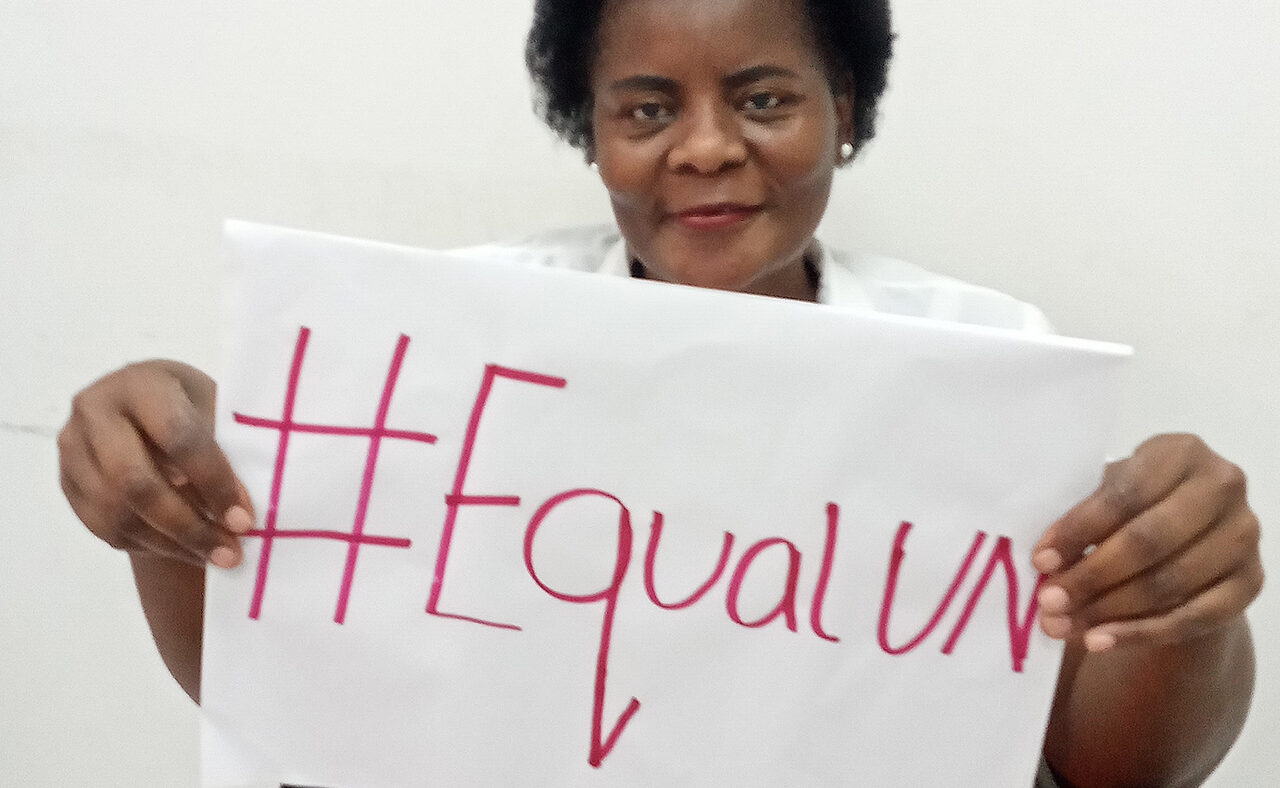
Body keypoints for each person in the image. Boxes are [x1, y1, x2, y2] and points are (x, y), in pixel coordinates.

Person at [56, 0, 1261, 785]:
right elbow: (292, 692)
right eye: (645, 108)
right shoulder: (437, 351)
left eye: (763, 98)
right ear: (589, 131)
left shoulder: (986, 363)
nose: (705, 146)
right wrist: (164, 493)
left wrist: (1184, 597)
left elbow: (1112, 765)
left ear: (844, 110)